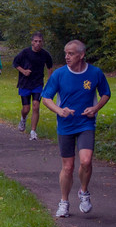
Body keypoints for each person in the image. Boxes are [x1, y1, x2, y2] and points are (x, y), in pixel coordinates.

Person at [41, 40, 110, 218]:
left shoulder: (95, 73)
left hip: (86, 123)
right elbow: (46, 97)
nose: (67, 57)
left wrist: (95, 109)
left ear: (81, 55)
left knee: (86, 161)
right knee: (68, 167)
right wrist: (59, 111)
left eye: (71, 53)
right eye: (66, 53)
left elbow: (106, 93)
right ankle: (64, 202)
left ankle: (84, 192)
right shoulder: (59, 74)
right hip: (66, 124)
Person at [13, 32, 54, 140]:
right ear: (32, 42)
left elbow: (50, 68)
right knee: (26, 108)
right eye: (35, 41)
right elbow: (15, 63)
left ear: (42, 42)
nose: (38, 43)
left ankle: (33, 132)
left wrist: (50, 81)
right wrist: (24, 71)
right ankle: (23, 119)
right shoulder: (25, 53)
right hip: (25, 83)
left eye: (40, 41)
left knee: (36, 106)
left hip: (37, 83)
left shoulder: (45, 54)